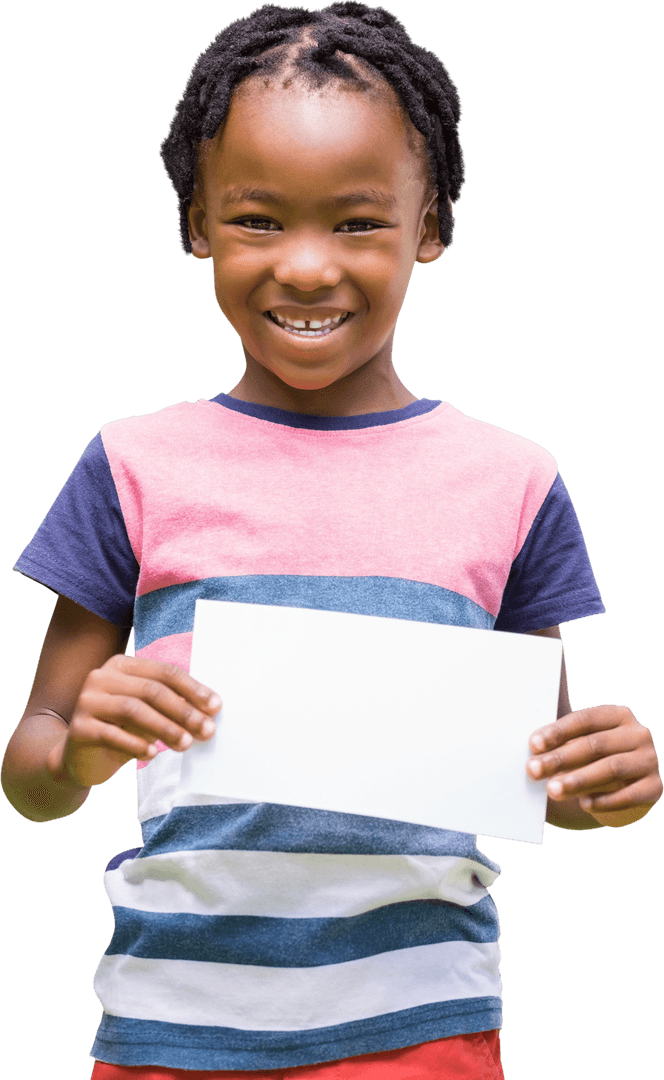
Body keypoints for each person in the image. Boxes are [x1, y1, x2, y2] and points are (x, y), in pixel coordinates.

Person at [2, 2, 661, 1078]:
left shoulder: (514, 481)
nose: (307, 268)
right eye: (259, 219)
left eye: (357, 222)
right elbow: (30, 771)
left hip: (422, 1031)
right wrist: (76, 749)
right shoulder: (131, 465)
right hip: (173, 1024)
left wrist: (597, 788)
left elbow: (526, 775)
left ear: (431, 223)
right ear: (196, 222)